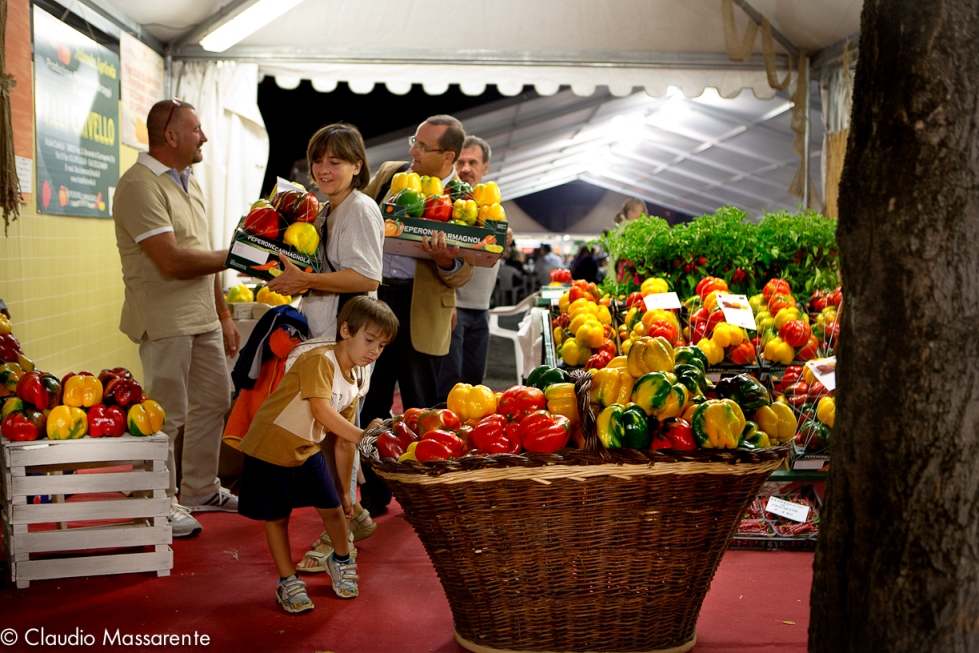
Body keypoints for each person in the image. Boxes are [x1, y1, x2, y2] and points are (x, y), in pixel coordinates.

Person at [112, 99, 240, 538]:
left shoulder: (189, 182)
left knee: (216, 398)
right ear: (171, 136)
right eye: (197, 129)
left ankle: (201, 490)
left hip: (202, 315)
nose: (203, 137)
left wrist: (223, 313)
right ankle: (155, 501)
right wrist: (241, 255)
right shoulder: (139, 186)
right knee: (165, 414)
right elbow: (171, 261)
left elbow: (203, 255)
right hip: (164, 319)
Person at [237, 297, 397, 613]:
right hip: (270, 446)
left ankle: (341, 560)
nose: (374, 351)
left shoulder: (358, 377)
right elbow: (321, 410)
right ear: (345, 330)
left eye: (381, 346)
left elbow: (342, 439)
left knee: (336, 509)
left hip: (306, 448)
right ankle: (287, 581)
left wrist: (347, 490)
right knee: (278, 516)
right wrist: (366, 436)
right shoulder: (321, 360)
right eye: (369, 340)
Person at [265, 123, 383, 541]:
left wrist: (306, 283)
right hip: (326, 333)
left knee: (335, 433)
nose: (324, 168)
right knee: (327, 434)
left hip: (347, 338)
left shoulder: (360, 208)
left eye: (335, 161)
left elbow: (367, 275)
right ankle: (351, 517)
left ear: (356, 164)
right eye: (318, 160)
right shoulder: (329, 208)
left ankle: (343, 525)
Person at [359, 115, 474, 515]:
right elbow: (358, 213)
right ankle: (373, 492)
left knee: (421, 407)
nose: (412, 152)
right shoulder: (390, 175)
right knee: (371, 401)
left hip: (422, 309)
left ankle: (422, 494)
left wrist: (446, 262)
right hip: (376, 301)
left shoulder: (463, 199)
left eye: (423, 148)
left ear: (448, 157)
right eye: (414, 142)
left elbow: (465, 271)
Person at [436, 136, 510, 399]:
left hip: (482, 309)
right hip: (454, 306)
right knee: (450, 383)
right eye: (461, 162)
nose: (466, 168)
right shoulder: (446, 203)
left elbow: (496, 250)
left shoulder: (492, 205)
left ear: (485, 167)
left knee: (475, 380)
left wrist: (505, 240)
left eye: (473, 162)